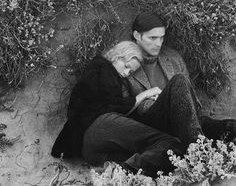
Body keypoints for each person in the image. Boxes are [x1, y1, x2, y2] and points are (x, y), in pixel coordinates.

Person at [51, 40, 185, 177]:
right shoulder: (101, 66)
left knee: (145, 153)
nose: (127, 73)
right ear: (117, 56)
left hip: (93, 152)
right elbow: (114, 105)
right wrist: (145, 94)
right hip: (98, 130)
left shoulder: (103, 73)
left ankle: (117, 174)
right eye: (126, 66)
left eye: (131, 71)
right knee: (168, 142)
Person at [128, 11, 236, 147]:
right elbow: (123, 108)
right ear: (137, 35)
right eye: (153, 38)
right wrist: (153, 99)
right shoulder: (124, 62)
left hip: (185, 121)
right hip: (150, 125)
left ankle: (206, 147)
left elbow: (193, 101)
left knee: (228, 127)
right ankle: (197, 149)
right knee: (178, 80)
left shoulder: (173, 57)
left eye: (161, 38)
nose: (158, 43)